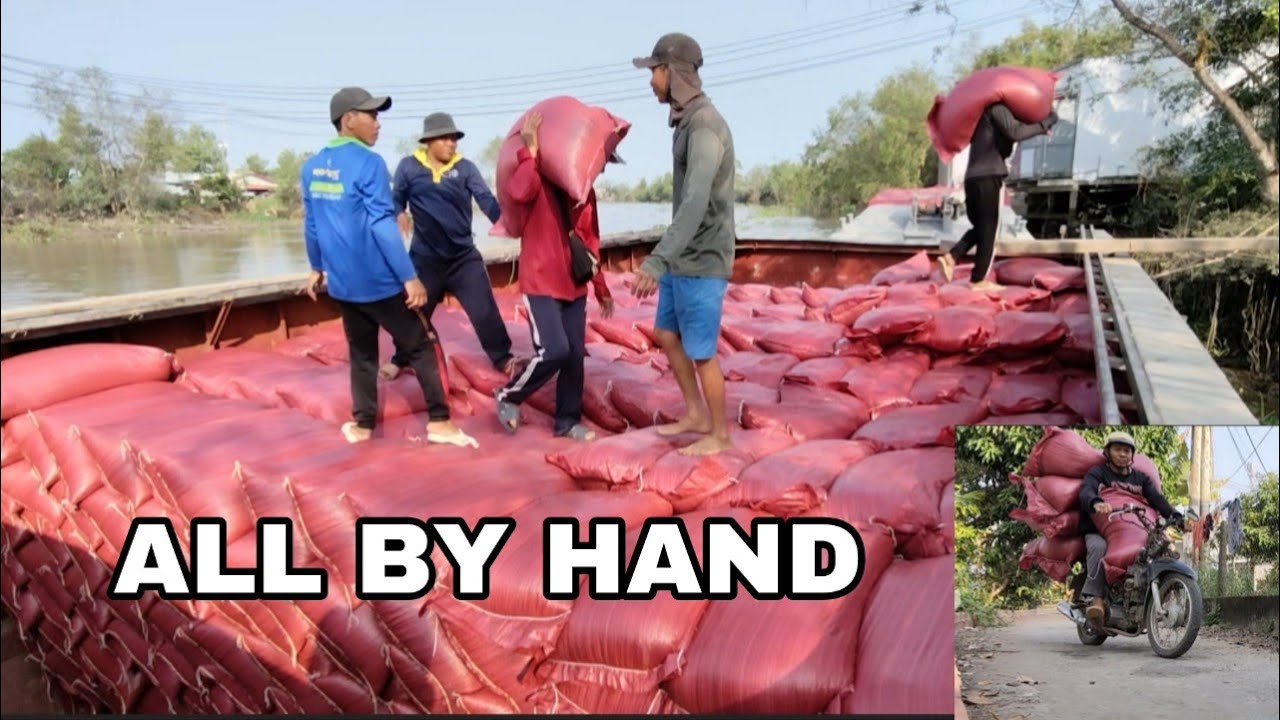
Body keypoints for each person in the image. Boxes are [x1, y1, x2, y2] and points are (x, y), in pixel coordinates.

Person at [301, 87, 476, 448]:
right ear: (348, 119)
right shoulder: (369, 163)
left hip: (344, 285)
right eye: (372, 116)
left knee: (362, 354)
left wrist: (316, 267)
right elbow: (382, 223)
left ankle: (363, 425)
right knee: (422, 345)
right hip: (378, 281)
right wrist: (409, 277)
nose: (378, 124)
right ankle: (440, 422)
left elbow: (312, 223)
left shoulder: (311, 167)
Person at [631, 32, 736, 457]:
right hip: (683, 256)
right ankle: (694, 413)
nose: (651, 81)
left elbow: (695, 201)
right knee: (665, 333)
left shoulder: (706, 125)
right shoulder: (686, 121)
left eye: (654, 71)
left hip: (703, 258)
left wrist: (656, 262)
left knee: (702, 351)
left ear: (672, 72)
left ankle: (720, 435)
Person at [492, 111, 615, 441]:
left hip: (574, 286)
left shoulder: (585, 194)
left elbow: (591, 242)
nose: (600, 169)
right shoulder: (538, 180)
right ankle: (508, 394)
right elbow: (518, 193)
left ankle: (567, 422)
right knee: (555, 350)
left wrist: (601, 288)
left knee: (575, 356)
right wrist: (529, 150)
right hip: (541, 280)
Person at [380, 112, 523, 382]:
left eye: (454, 138)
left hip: (463, 258)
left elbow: (486, 200)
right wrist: (399, 213)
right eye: (446, 138)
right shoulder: (409, 167)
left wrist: (509, 225)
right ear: (429, 141)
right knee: (414, 312)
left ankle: (502, 357)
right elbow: (396, 198)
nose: (452, 143)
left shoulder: (466, 168)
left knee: (484, 310)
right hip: (425, 258)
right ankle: (400, 358)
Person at [936, 102, 1058, 290]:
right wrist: (1046, 122)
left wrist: (1039, 129)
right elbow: (1015, 132)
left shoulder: (983, 118)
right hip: (988, 177)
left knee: (982, 228)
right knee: (990, 229)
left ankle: (952, 257)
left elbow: (1014, 131)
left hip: (972, 178)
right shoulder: (997, 109)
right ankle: (978, 280)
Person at [1078, 431, 1189, 627]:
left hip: (1132, 526)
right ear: (1108, 452)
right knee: (1098, 548)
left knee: (1161, 548)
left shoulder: (1141, 479)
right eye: (1118, 450)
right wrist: (1096, 502)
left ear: (1132, 455)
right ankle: (1096, 600)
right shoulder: (1098, 473)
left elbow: (1158, 500)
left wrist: (1178, 519)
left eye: (1127, 451)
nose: (1122, 454)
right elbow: (1086, 490)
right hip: (1099, 528)